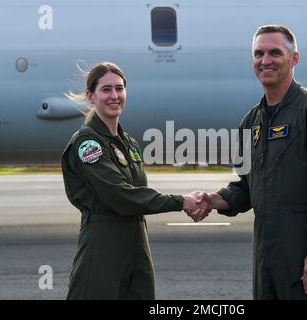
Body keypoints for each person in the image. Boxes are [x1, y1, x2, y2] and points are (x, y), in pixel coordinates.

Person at [192, 25, 307, 299]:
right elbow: (246, 187)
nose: (266, 61)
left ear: (294, 59)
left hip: (305, 252)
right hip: (266, 254)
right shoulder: (251, 121)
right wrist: (213, 199)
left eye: (275, 53)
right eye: (259, 53)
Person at [61, 61, 210, 299]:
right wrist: (181, 201)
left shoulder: (129, 143)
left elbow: (139, 194)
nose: (114, 96)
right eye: (106, 89)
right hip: (104, 245)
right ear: (91, 97)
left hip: (137, 244)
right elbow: (121, 196)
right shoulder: (88, 143)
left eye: (119, 89)